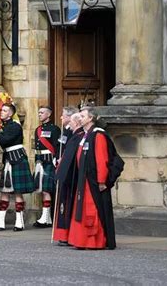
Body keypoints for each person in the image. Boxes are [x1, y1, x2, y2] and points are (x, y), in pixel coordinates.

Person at [68, 106, 118, 250]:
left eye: (83, 116)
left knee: (92, 211)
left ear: (91, 118)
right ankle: (81, 240)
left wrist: (102, 180)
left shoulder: (98, 135)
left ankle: (95, 242)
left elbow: (102, 160)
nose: (80, 118)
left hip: (93, 181)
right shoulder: (85, 135)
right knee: (82, 211)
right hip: (83, 179)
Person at [0, 103, 35, 231]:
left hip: (17, 160)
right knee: (4, 191)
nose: (1, 112)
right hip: (9, 160)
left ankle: (19, 221)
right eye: (1, 110)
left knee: (17, 192)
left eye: (4, 110)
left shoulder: (15, 126)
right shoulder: (5, 126)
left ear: (10, 113)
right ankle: (0, 221)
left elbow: (5, 141)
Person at [53, 112, 84, 245]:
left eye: (71, 121)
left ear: (76, 122)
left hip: (72, 177)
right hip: (67, 176)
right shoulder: (74, 135)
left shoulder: (78, 136)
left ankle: (67, 235)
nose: (68, 124)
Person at [33, 106, 61, 228]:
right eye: (38, 112)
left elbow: (57, 146)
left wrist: (56, 159)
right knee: (41, 189)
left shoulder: (55, 129)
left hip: (50, 161)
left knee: (46, 190)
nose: (39, 114)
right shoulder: (38, 129)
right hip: (40, 161)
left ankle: (45, 217)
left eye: (42, 112)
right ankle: (47, 218)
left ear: (48, 115)